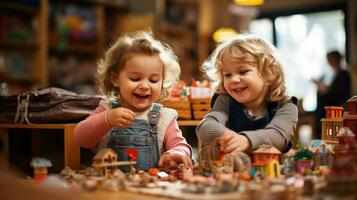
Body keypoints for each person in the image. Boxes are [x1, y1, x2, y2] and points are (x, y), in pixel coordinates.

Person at [74, 31, 193, 171]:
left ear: (162, 82)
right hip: (110, 189)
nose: (144, 86)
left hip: (151, 188)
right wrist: (106, 120)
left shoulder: (164, 117)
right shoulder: (107, 110)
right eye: (135, 79)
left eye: (153, 80)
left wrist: (175, 154)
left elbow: (180, 145)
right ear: (115, 79)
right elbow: (80, 138)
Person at [196, 33, 298, 154]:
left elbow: (278, 135)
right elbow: (205, 126)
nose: (234, 79)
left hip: (272, 170)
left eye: (243, 71)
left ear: (269, 73)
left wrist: (246, 141)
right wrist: (228, 137)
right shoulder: (225, 100)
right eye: (227, 75)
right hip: (232, 169)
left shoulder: (286, 105)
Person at [313, 50, 351, 137]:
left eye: (330, 59)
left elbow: (340, 94)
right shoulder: (335, 73)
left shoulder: (344, 74)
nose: (328, 62)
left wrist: (324, 89)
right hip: (330, 105)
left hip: (336, 106)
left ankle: (322, 136)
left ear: (335, 59)